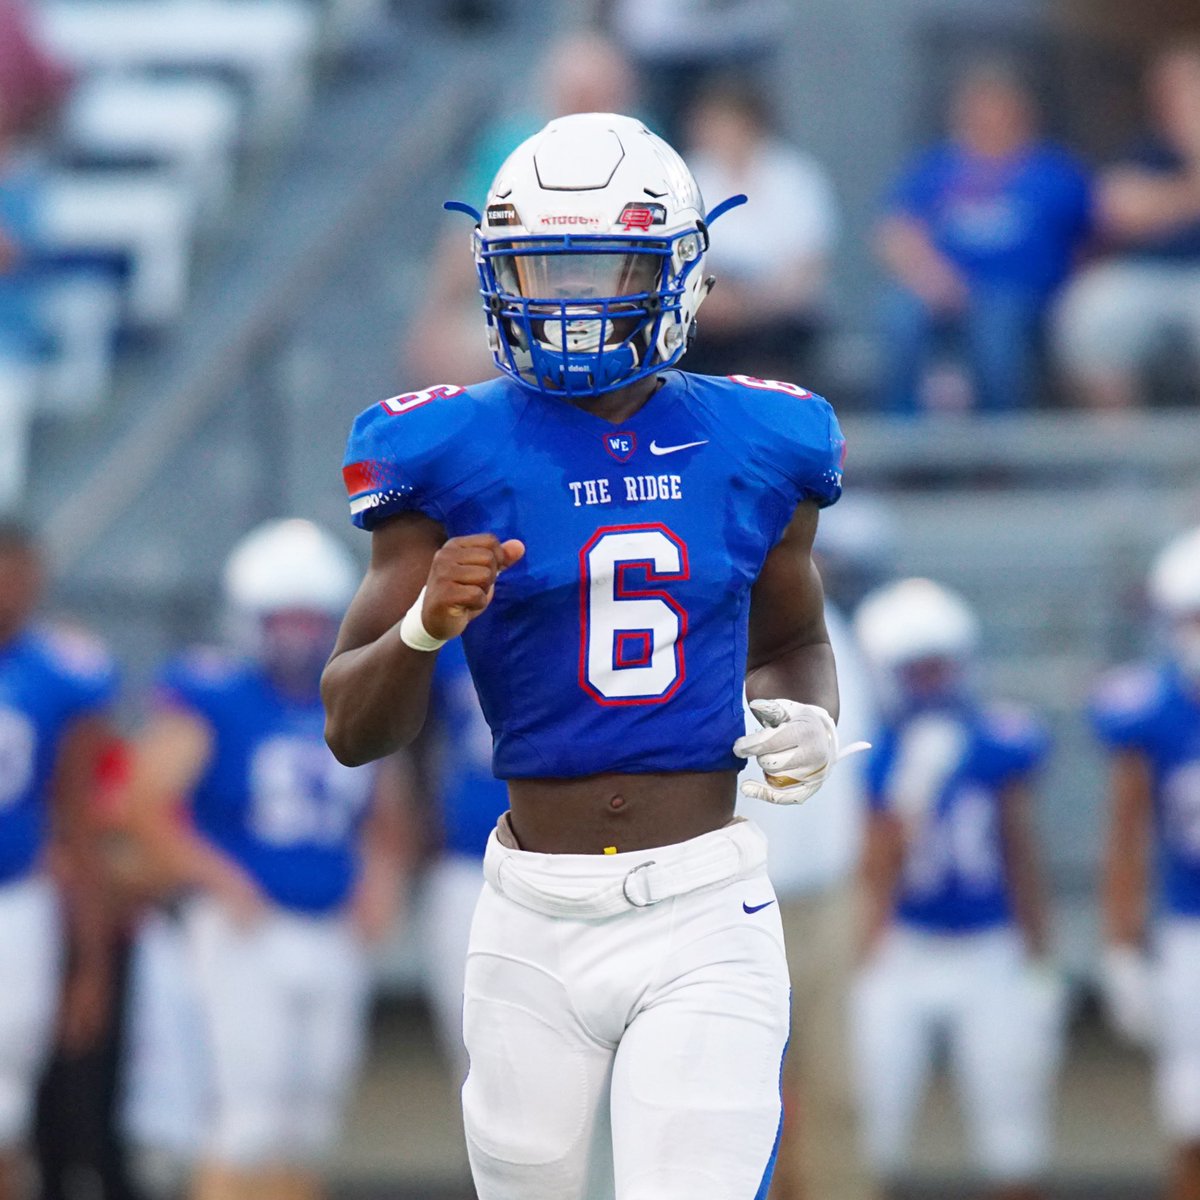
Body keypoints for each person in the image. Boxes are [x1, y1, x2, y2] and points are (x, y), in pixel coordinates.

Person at [324, 112, 859, 1199]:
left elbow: (794, 639)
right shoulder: (439, 446)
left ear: (680, 269)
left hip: (706, 902)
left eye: (598, 263)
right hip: (531, 910)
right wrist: (426, 623)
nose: (567, 301)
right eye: (539, 265)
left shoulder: (765, 441)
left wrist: (808, 715)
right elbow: (350, 726)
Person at [124, 519, 406, 1200]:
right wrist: (218, 879)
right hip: (245, 930)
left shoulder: (351, 695)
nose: (299, 636)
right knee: (247, 1117)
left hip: (330, 926)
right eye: (283, 619)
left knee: (308, 1121)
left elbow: (388, 815)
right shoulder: (214, 692)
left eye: (312, 619)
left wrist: (380, 882)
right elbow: (140, 800)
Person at [850, 578, 1062, 1200]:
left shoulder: (997, 741)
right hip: (904, 947)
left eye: (939, 666)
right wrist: (909, 795)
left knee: (1013, 1140)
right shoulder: (872, 752)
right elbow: (873, 867)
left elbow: (1022, 855)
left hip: (989, 948)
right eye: (916, 669)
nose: (931, 683)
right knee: (871, 1134)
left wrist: (1041, 961)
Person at [738, 586, 879, 1200]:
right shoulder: (700, 618)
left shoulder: (835, 632)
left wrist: (869, 889)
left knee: (835, 1094)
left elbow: (867, 774)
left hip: (824, 896)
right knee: (727, 1098)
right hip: (725, 896)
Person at [402, 31, 637, 387]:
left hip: (613, 302)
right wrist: (437, 312)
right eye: (574, 96)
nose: (582, 109)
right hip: (519, 296)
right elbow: (464, 239)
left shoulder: (642, 151)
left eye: (595, 97)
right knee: (455, 351)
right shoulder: (512, 145)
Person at [0, 520, 118, 1200]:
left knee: (5, 1113)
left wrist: (91, 966)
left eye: (20, 574)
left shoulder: (58, 675)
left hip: (17, 900)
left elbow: (80, 825)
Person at [875, 62, 1092, 414]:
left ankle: (1000, 456)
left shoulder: (1053, 172)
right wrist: (932, 278)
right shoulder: (937, 169)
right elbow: (895, 231)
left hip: (1021, 298)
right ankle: (903, 445)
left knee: (997, 331)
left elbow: (1088, 240)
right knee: (899, 317)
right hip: (940, 292)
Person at [1091, 525, 1200, 1200]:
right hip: (1189, 930)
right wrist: (1122, 944)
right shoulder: (1151, 708)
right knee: (1191, 1115)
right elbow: (1126, 833)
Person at [1055, 42, 1200, 411]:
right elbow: (1117, 209)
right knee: (1090, 314)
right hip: (1144, 274)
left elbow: (1146, 206)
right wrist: (1186, 193)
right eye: (1170, 90)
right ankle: (1125, 458)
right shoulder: (1144, 149)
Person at [682, 77, 839, 382]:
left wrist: (753, 306)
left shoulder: (795, 176)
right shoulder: (688, 177)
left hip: (778, 313)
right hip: (712, 307)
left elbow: (807, 266)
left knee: (776, 337)